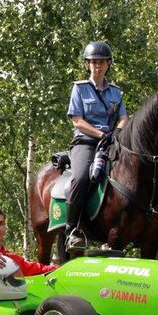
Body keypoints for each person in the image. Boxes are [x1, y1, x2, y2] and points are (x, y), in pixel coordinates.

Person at [64, 41, 128, 250]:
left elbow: (123, 117)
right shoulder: (80, 88)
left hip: (112, 142)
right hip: (86, 142)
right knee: (82, 177)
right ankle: (71, 229)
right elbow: (77, 121)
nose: (97, 66)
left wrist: (118, 132)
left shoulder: (115, 92)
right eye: (93, 63)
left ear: (108, 64)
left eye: (101, 62)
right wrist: (102, 134)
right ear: (87, 65)